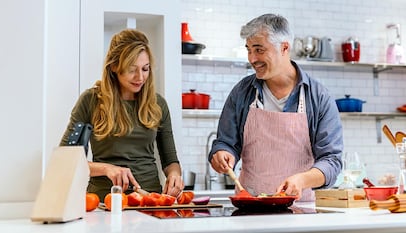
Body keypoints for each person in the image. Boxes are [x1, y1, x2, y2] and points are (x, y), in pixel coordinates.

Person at [208, 14, 343, 201]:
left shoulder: (318, 97)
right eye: (248, 50)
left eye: (259, 50)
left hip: (301, 211)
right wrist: (222, 154)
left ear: (284, 47)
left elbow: (332, 161)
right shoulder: (242, 92)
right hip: (251, 207)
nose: (252, 59)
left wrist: (303, 180)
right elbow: (225, 143)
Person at [60, 29, 184, 200]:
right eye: (132, 69)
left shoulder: (158, 104)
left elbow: (170, 161)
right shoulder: (90, 100)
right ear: (114, 66)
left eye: (145, 69)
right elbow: (66, 161)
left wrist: (174, 175)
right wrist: (107, 169)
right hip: (104, 201)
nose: (140, 77)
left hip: (150, 200)